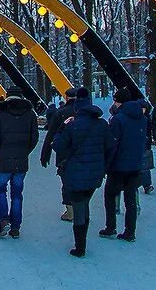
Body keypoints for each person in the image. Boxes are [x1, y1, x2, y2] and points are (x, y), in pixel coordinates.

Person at [52, 87, 112, 257]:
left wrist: (61, 129)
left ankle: (80, 247)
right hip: (94, 174)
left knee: (79, 207)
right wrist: (102, 167)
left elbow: (58, 146)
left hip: (76, 173)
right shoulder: (102, 124)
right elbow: (110, 147)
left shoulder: (72, 126)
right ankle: (81, 240)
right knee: (84, 204)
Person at [0, 86, 39, 238]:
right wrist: (25, 151)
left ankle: (4, 219)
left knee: (0, 189)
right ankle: (16, 226)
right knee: (17, 194)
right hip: (21, 161)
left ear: (7, 96)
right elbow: (34, 137)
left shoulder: (0, 112)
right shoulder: (29, 114)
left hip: (3, 159)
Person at [101, 88, 150, 241]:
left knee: (110, 195)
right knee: (131, 200)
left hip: (118, 165)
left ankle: (111, 227)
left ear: (118, 102)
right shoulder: (142, 118)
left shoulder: (118, 119)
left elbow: (112, 144)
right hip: (135, 164)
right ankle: (130, 231)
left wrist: (106, 165)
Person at [40, 90, 76, 221]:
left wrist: (45, 154)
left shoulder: (60, 113)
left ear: (66, 98)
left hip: (64, 155)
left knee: (67, 183)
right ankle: (81, 208)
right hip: (83, 155)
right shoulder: (87, 113)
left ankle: (70, 210)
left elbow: (51, 135)